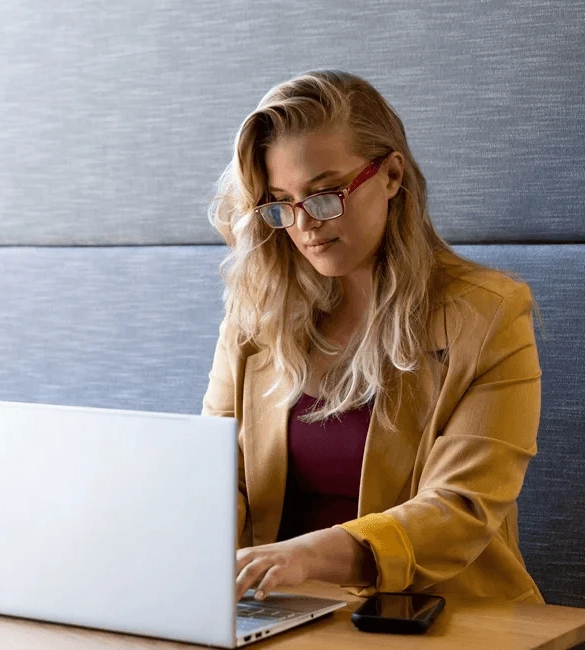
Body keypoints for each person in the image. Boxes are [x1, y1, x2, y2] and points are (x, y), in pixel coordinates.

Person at [203, 70, 544, 606]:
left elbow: (460, 508)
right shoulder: (255, 315)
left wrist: (303, 557)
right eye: (280, 203)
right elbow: (217, 478)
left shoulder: (489, 315)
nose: (304, 225)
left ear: (391, 175)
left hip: (440, 617)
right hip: (283, 614)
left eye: (324, 194)